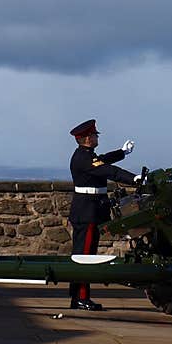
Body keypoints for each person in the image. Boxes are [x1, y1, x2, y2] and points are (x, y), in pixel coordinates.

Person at [67, 118, 138, 311]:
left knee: (83, 254)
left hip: (90, 211)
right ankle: (81, 297)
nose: (97, 137)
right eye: (94, 134)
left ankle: (77, 297)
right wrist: (135, 179)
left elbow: (104, 160)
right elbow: (109, 171)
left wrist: (122, 152)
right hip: (87, 213)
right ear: (88, 138)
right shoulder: (83, 158)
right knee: (85, 256)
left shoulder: (86, 156)